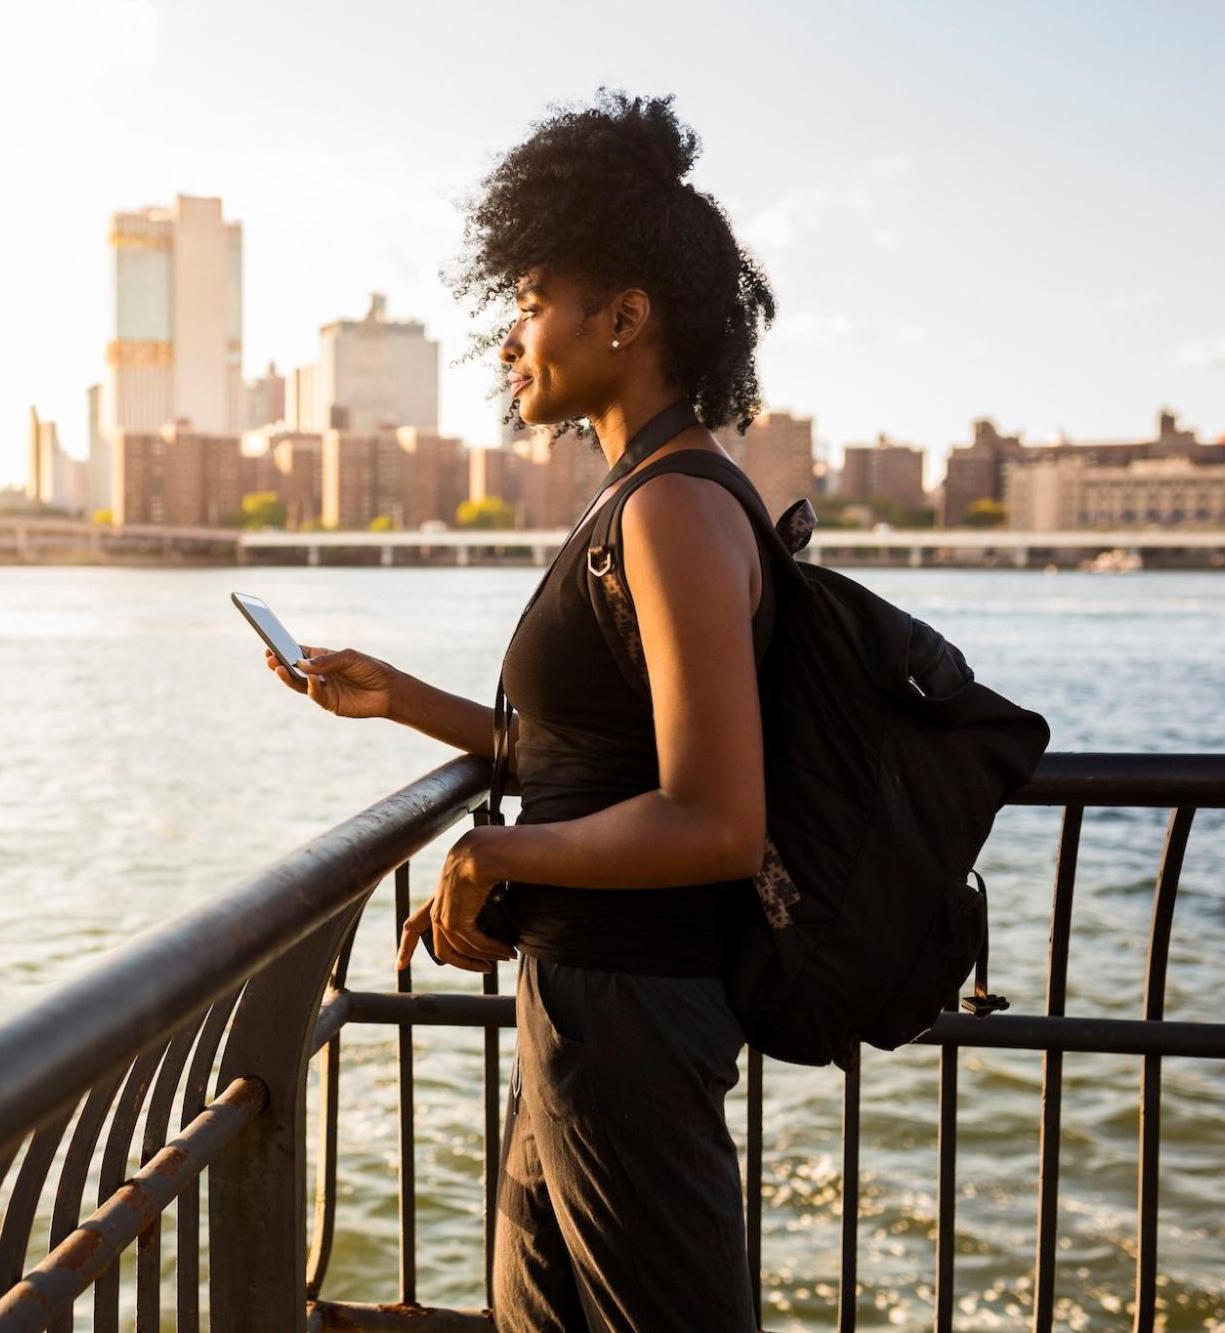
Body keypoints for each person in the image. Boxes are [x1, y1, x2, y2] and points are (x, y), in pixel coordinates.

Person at [263, 90, 777, 1331]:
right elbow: (599, 756)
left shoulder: (673, 509)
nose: (512, 332)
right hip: (584, 1006)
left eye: (533, 298)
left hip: (633, 1017)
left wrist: (492, 849)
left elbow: (716, 820)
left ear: (624, 316)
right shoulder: (634, 501)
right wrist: (407, 702)